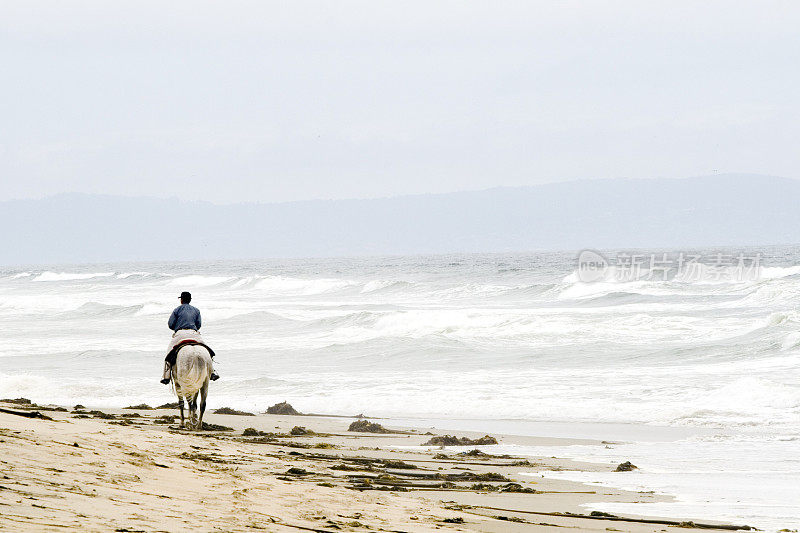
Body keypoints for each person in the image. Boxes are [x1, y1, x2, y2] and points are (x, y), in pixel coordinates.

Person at [161, 291, 219, 384]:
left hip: (180, 334)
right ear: (190, 300)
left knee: (168, 354)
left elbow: (170, 324)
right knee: (208, 351)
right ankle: (212, 372)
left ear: (181, 300)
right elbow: (199, 325)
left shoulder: (177, 310)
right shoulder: (196, 310)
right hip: (194, 333)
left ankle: (166, 376)